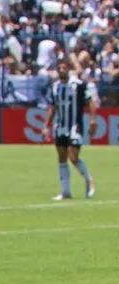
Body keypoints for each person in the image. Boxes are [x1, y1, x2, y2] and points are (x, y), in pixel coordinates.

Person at [42, 56, 99, 200]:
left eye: (64, 68)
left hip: (75, 126)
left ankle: (89, 179)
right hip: (60, 126)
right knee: (61, 158)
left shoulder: (78, 85)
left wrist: (93, 120)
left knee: (73, 156)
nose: (61, 70)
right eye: (59, 68)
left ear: (69, 69)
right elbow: (52, 107)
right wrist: (45, 126)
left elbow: (90, 102)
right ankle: (65, 192)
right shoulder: (55, 87)